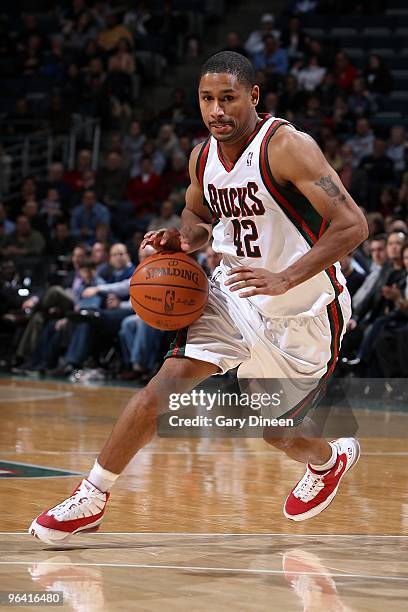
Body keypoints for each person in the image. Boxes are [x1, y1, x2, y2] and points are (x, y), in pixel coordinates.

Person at [30, 51, 368, 544]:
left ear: (253, 96)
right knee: (163, 386)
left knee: (276, 432)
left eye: (228, 98)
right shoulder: (202, 157)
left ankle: (329, 459)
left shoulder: (287, 146)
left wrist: (287, 277)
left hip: (306, 310)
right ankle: (92, 496)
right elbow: (197, 217)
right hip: (234, 296)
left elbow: (353, 225)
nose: (217, 111)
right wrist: (180, 241)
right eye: (207, 99)